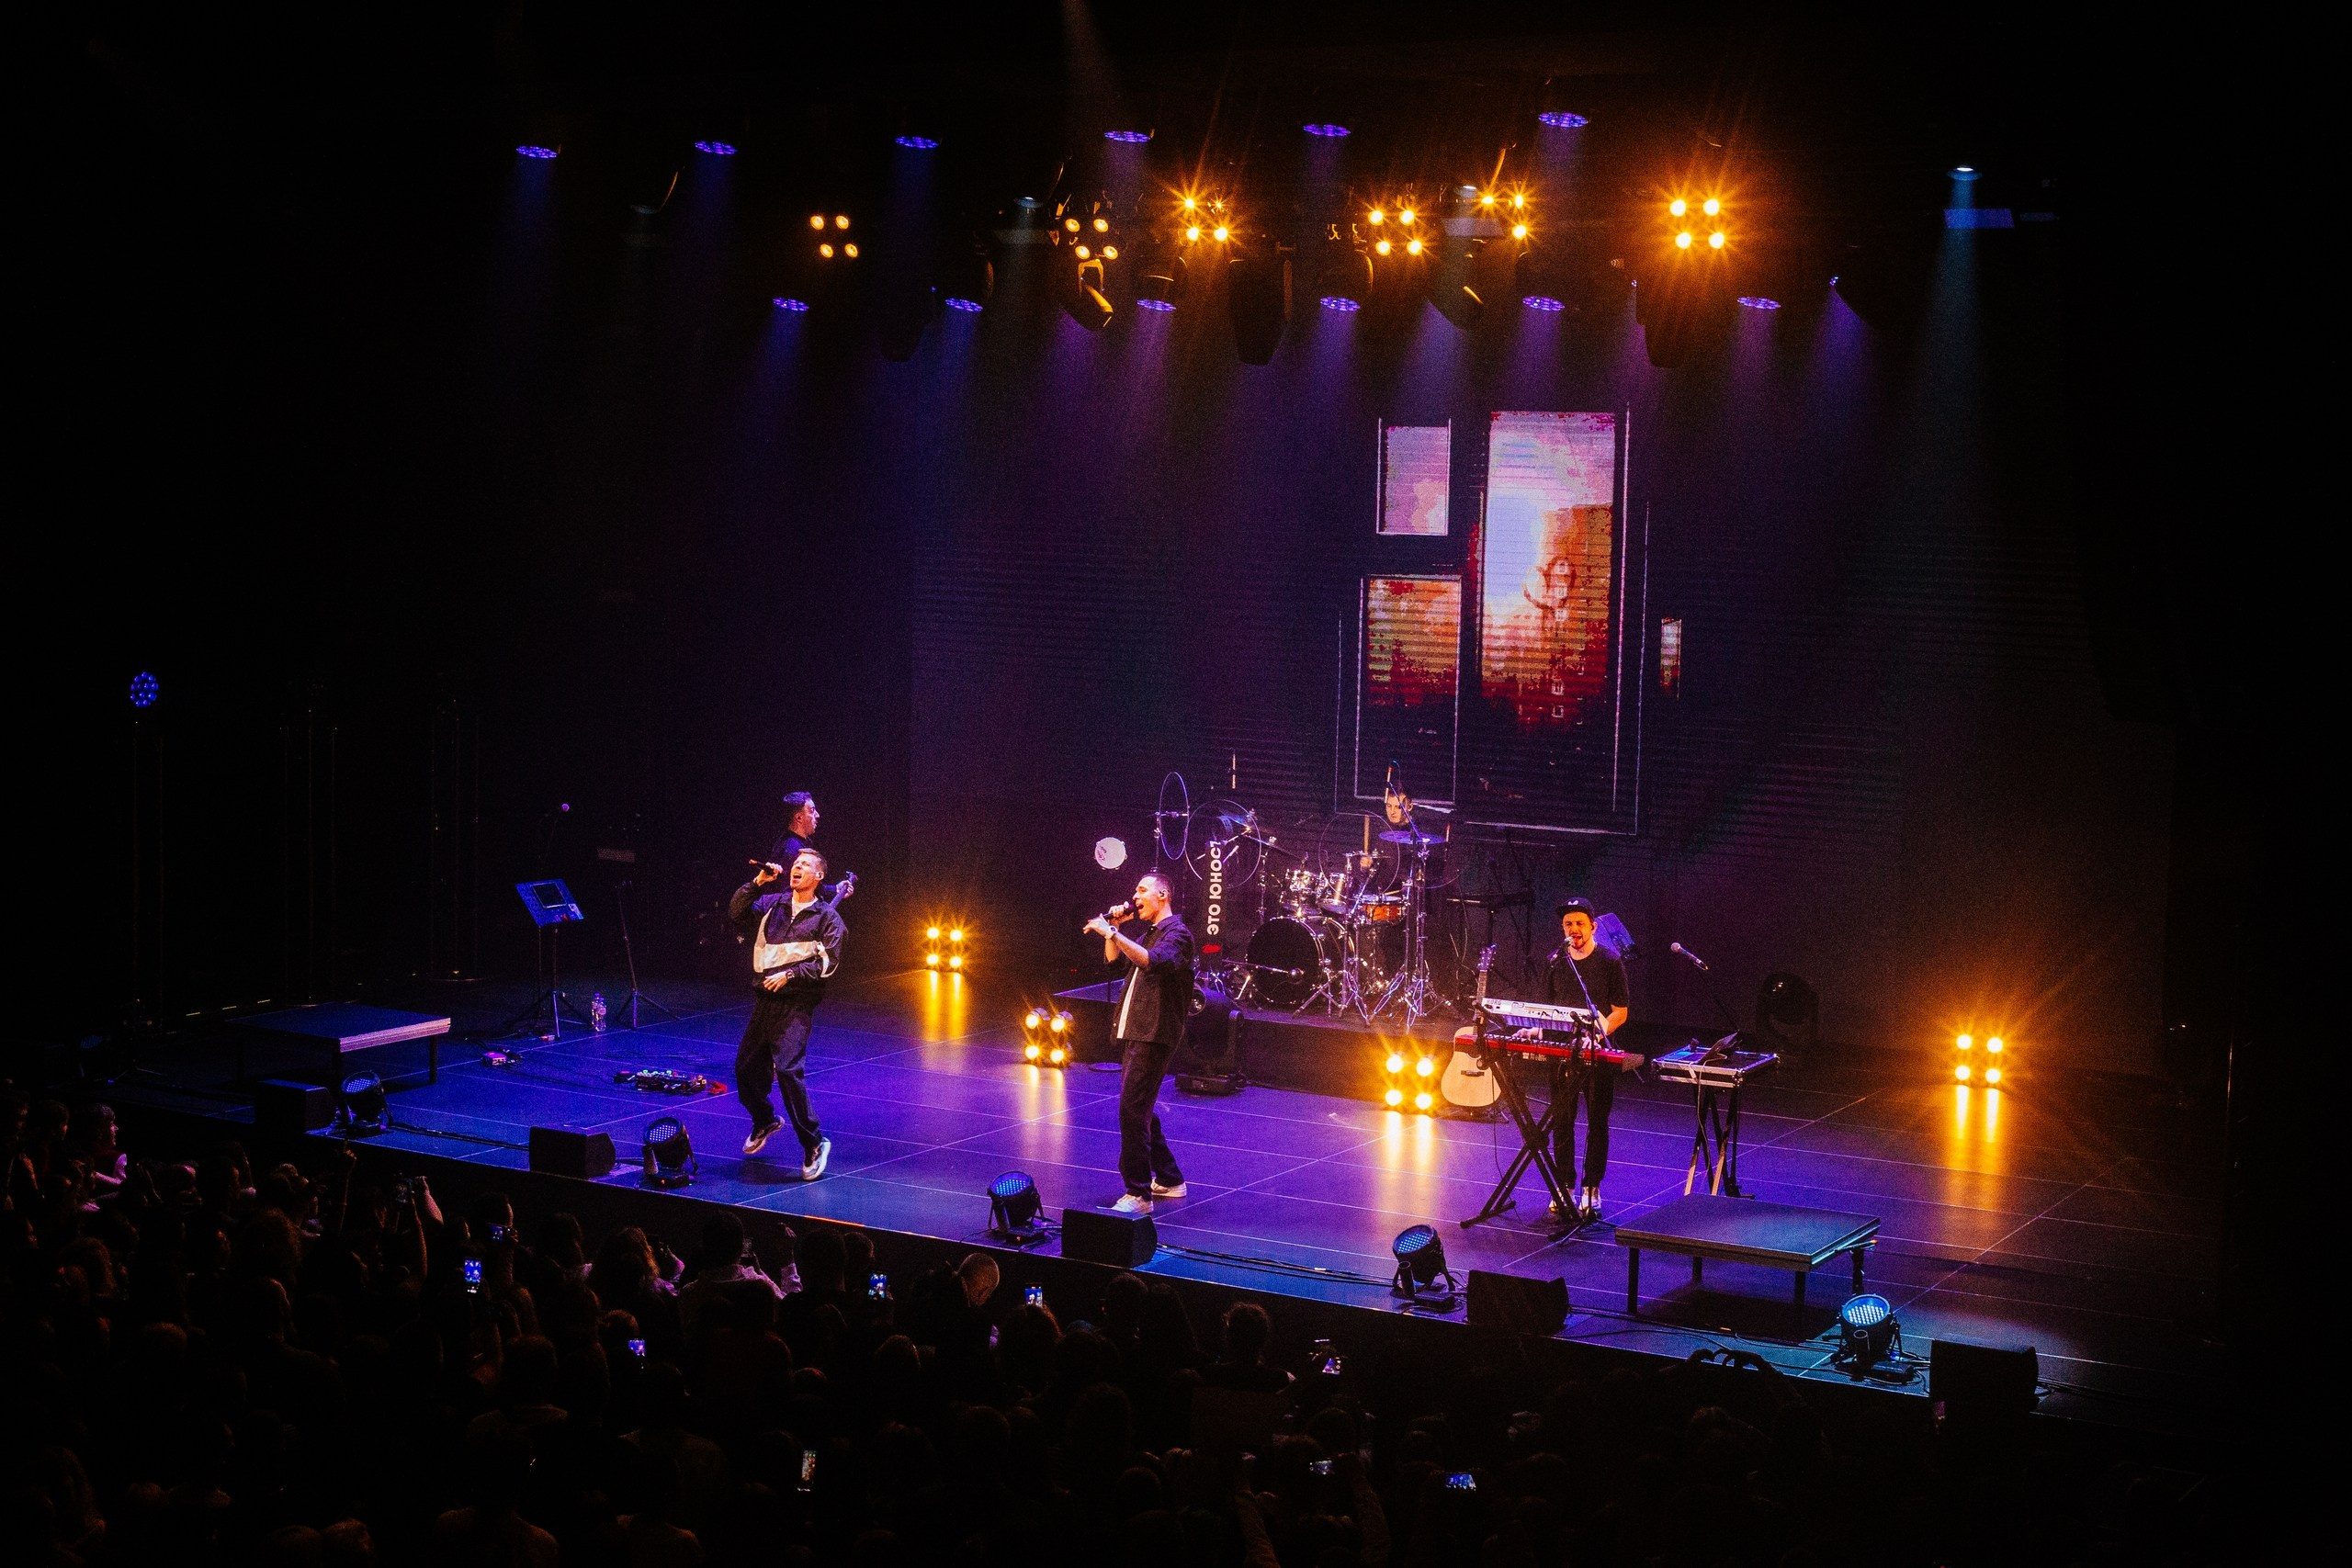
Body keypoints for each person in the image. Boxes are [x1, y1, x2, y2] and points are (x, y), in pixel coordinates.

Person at [1082, 872, 1194, 1214]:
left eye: (1142, 890)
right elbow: (1114, 959)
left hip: (1155, 1033)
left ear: (1163, 894)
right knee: (1140, 1108)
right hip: (1137, 1031)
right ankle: (1170, 1179)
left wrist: (1113, 931)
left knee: (1132, 1110)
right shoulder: (1149, 932)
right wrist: (1113, 927)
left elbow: (1151, 962)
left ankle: (1139, 1194)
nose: (1135, 895)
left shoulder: (1178, 934)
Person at [729, 849, 844, 1177]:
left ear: (818, 877)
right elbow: (737, 914)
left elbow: (827, 963)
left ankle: (814, 1143)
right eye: (796, 864)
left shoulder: (827, 918)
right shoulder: (772, 904)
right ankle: (764, 1120)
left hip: (796, 1003)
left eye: (805, 865)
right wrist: (758, 882)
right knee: (745, 1070)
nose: (797, 867)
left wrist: (791, 975)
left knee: (789, 1071)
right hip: (765, 1000)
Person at [1544, 897, 1631, 1220]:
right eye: (1568, 924)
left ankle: (1591, 1187)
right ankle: (1564, 1185)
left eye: (1580, 923)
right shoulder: (1555, 962)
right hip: (1563, 1050)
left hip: (1597, 1049)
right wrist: (1536, 1031)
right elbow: (1547, 1008)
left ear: (1593, 926)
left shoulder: (1609, 960)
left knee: (1597, 1120)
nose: (1574, 929)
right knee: (1561, 1121)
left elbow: (1620, 1012)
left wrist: (1598, 1034)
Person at [767, 790, 853, 906]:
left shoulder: (802, 843)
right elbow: (790, 891)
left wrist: (836, 889)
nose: (817, 815)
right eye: (812, 811)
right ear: (799, 818)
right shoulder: (791, 849)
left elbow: (808, 884)